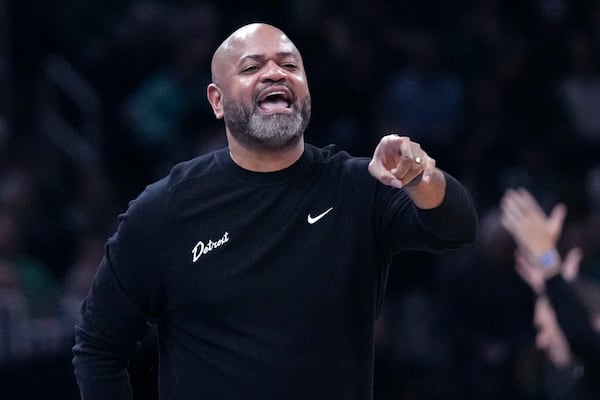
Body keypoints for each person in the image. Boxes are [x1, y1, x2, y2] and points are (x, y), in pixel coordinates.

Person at [72, 23, 478, 400]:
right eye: (252, 67)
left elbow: (455, 228)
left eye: (289, 65)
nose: (275, 73)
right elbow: (98, 346)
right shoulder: (165, 210)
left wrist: (419, 175)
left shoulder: (358, 187)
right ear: (217, 100)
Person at [500, 187, 600, 399]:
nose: (541, 342)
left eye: (544, 329)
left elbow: (581, 335)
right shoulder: (572, 383)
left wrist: (547, 259)